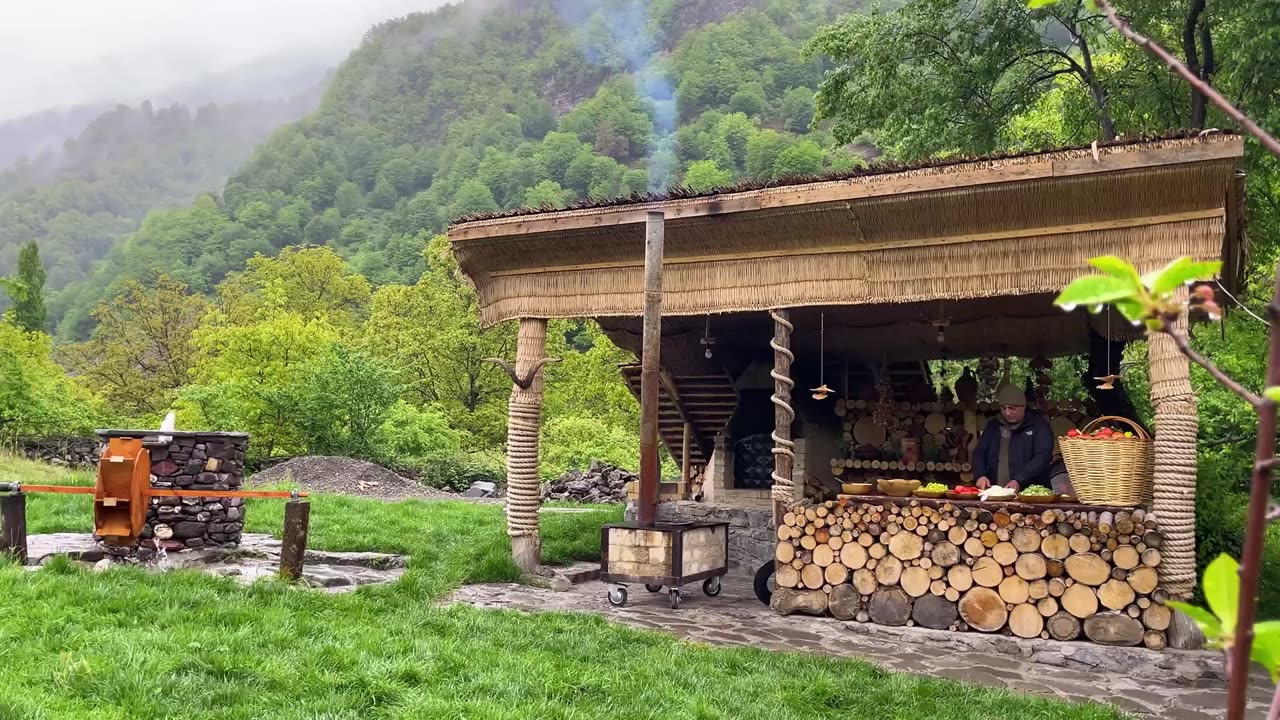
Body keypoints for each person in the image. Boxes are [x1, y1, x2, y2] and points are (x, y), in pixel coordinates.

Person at [973, 384, 1054, 491]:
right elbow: (980, 452)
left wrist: (1019, 479)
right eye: (1003, 408)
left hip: (1032, 493)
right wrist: (980, 475)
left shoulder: (1039, 426)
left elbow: (1042, 457)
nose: (1007, 413)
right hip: (996, 492)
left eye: (1012, 408)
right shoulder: (993, 426)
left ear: (1023, 406)